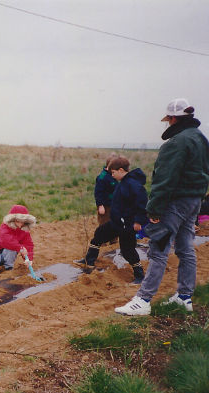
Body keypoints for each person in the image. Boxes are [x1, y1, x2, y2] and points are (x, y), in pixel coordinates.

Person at [116, 98, 209, 316]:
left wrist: (154, 210)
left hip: (174, 203)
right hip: (193, 201)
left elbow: (165, 179)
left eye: (168, 120)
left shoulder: (176, 143)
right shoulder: (200, 139)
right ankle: (184, 297)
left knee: (158, 249)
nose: (167, 124)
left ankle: (143, 300)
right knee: (186, 248)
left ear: (174, 119)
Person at [76, 156, 148, 283]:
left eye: (113, 172)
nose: (112, 175)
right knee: (99, 234)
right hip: (116, 222)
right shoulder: (123, 183)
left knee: (127, 250)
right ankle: (89, 261)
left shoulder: (133, 185)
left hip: (127, 224)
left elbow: (142, 203)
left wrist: (138, 221)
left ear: (120, 170)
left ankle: (139, 275)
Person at [0, 204, 36, 273]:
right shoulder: (4, 227)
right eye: (18, 220)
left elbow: (28, 245)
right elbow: (7, 241)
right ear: (12, 219)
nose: (20, 223)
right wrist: (21, 248)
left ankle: (7, 268)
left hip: (8, 255)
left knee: (12, 250)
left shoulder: (24, 231)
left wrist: (29, 260)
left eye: (22, 221)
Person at [95, 153, 118, 226]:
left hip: (114, 205)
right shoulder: (102, 177)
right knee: (105, 225)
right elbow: (98, 192)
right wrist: (100, 205)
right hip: (105, 207)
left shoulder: (114, 175)